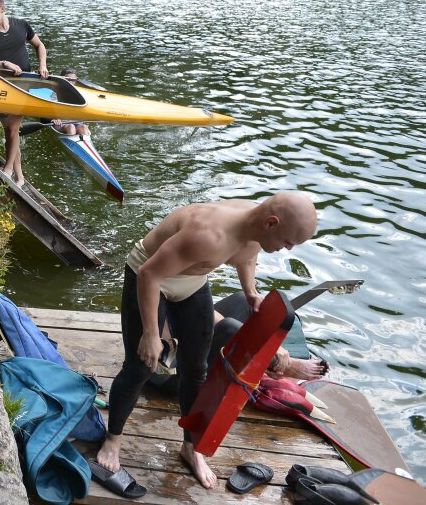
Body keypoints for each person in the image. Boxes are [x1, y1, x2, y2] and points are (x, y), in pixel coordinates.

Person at [95, 192, 319, 490]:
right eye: (288, 241)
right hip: (149, 275)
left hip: (191, 281)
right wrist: (151, 335)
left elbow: (247, 254)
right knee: (140, 367)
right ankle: (113, 439)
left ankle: (191, 447)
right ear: (271, 223)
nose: (286, 249)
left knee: (196, 369)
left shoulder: (256, 228)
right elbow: (149, 275)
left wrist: (250, 291)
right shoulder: (208, 235)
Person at [0, 0, 49, 186]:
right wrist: (4, 63)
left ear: (3, 8)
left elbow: (39, 45)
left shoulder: (21, 25)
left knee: (13, 127)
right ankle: (20, 177)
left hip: (23, 86)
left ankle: (7, 170)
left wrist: (42, 65)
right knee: (10, 131)